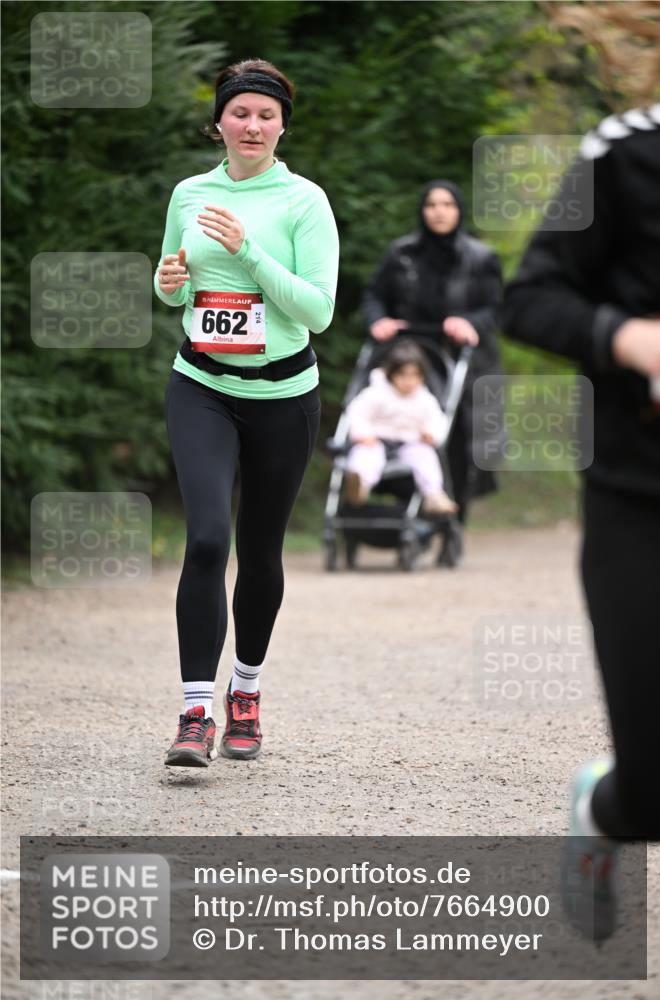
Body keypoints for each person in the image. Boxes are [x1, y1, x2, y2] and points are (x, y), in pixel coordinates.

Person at [502, 20, 660, 935]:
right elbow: (528, 295)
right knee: (656, 795)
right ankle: (604, 814)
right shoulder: (628, 154)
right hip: (643, 501)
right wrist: (624, 337)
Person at [154, 58, 339, 767]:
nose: (252, 125)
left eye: (265, 114)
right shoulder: (188, 192)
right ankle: (195, 711)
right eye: (240, 113)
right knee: (205, 539)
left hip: (283, 397)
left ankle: (247, 692)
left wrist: (249, 250)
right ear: (219, 122)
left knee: (258, 554)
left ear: (281, 124)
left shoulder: (303, 202)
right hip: (200, 385)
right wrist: (168, 280)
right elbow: (175, 287)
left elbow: (316, 309)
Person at [362, 180, 503, 522]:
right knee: (399, 423)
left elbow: (497, 307)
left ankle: (454, 516)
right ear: (422, 211)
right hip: (409, 355)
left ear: (459, 210)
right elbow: (375, 294)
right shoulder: (401, 253)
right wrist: (378, 319)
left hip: (462, 359)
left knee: (456, 437)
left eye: (447, 205)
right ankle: (402, 504)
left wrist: (470, 323)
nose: (439, 212)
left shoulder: (481, 258)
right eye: (431, 205)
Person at [344, 340, 458, 515]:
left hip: (411, 442)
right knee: (364, 457)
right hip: (376, 440)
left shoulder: (425, 399)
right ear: (391, 374)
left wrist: (432, 434)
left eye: (414, 375)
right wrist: (362, 434)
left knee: (426, 457)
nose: (409, 381)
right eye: (403, 375)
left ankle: (434, 495)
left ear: (422, 376)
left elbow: (437, 420)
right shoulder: (376, 393)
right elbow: (357, 413)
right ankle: (359, 487)